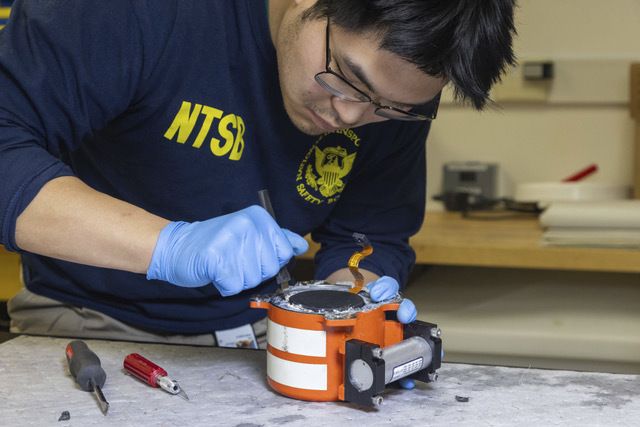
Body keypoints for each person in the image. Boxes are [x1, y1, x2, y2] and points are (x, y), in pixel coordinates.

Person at [0, 0, 516, 385]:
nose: (353, 117)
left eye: (388, 108)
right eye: (346, 80)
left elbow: (369, 233)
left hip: (267, 333)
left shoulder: (394, 99)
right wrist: (168, 246)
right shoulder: (136, 12)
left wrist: (351, 299)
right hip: (87, 325)